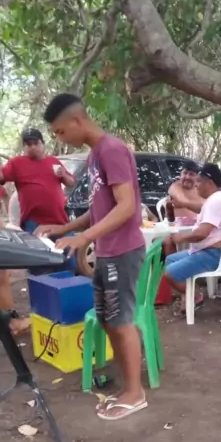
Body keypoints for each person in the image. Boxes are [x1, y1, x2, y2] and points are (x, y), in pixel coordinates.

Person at [37, 94, 146, 422]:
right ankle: (127, 386)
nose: (60, 138)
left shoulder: (112, 150)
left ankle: (135, 393)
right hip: (106, 251)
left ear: (77, 120)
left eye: (60, 131)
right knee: (108, 319)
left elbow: (126, 207)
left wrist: (83, 239)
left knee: (121, 321)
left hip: (123, 251)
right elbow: (99, 210)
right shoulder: (96, 155)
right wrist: (65, 228)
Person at [164, 163, 221, 311]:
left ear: (209, 183)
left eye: (199, 181)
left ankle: (195, 295)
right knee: (170, 259)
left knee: (168, 273)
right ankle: (189, 294)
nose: (196, 185)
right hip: (208, 251)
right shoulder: (214, 199)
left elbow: (202, 234)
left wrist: (181, 238)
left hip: (214, 255)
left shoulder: (216, 202)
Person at [0, 128, 76, 233]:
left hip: (60, 220)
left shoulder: (53, 161)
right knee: (37, 244)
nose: (33, 147)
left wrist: (64, 175)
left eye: (36, 143)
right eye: (28, 144)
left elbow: (71, 183)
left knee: (70, 243)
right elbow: (2, 176)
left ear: (43, 144)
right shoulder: (16, 163)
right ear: (24, 147)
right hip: (33, 222)